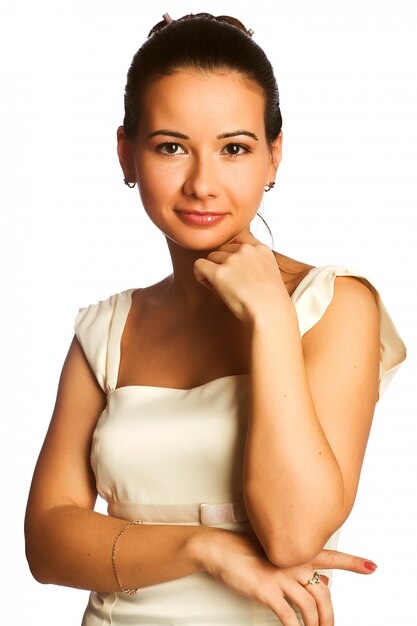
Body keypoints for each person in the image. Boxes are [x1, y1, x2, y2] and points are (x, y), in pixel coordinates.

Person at [24, 11, 407, 626]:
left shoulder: (336, 306)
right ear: (127, 155)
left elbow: (293, 536)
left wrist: (272, 320)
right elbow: (45, 543)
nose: (203, 183)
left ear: (274, 156)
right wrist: (208, 549)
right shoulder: (106, 329)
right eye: (171, 147)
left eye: (235, 148)